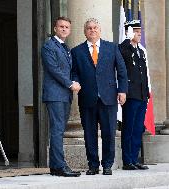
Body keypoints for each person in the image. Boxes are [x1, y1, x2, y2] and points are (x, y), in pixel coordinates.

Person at [71, 18, 128, 175]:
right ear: (85, 32)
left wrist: (122, 91)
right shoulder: (76, 51)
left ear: (99, 30)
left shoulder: (112, 48)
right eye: (89, 28)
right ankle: (93, 165)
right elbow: (74, 71)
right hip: (87, 98)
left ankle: (108, 164)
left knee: (109, 132)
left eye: (95, 27)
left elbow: (122, 71)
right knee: (89, 133)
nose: (92, 30)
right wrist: (75, 81)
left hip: (109, 97)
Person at [41, 16, 81, 177]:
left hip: (64, 95)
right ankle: (59, 166)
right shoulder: (49, 46)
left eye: (67, 27)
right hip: (55, 94)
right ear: (55, 28)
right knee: (57, 130)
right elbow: (53, 69)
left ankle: (56, 166)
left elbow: (70, 70)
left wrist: (75, 81)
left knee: (59, 129)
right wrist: (70, 83)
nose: (64, 29)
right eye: (61, 26)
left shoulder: (66, 48)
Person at [119, 20, 149, 170]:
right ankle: (127, 160)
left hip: (142, 95)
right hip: (131, 95)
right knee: (129, 128)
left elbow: (144, 74)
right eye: (136, 31)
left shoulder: (141, 51)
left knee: (138, 128)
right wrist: (127, 40)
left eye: (139, 31)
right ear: (128, 32)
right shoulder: (124, 49)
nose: (139, 34)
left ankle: (135, 158)